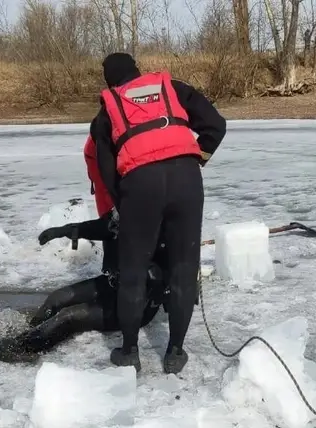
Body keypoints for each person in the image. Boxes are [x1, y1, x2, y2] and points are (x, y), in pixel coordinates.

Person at [0, 136, 172, 362]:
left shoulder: (159, 214)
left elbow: (172, 264)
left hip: (136, 304)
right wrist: (65, 230)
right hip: (114, 283)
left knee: (70, 316)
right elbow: (105, 227)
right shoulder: (126, 203)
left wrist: (156, 278)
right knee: (57, 298)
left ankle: (13, 349)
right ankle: (29, 333)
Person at [89, 52, 226, 374]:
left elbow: (107, 173)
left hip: (140, 183)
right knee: (183, 266)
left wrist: (132, 206)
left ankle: (129, 351)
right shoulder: (172, 89)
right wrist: (197, 159)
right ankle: (175, 352)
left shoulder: (107, 110)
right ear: (137, 71)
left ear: (110, 81)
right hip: (186, 179)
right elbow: (216, 125)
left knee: (133, 271)